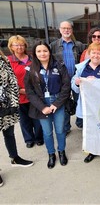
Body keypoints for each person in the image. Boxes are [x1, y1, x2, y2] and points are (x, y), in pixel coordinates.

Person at [24, 41, 71, 169]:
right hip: (41, 105)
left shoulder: (59, 65)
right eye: (39, 51)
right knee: (47, 132)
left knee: (61, 130)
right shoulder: (30, 69)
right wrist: (42, 107)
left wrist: (56, 103)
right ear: (35, 53)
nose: (42, 53)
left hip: (57, 102)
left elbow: (66, 86)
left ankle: (61, 151)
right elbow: (29, 91)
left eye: (45, 50)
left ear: (49, 52)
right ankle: (51, 154)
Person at [0, 50, 34, 187]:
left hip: (8, 104)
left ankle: (15, 158)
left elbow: (11, 80)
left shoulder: (4, 59)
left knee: (9, 133)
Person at [7, 35, 43, 148]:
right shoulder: (8, 61)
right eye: (16, 45)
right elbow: (6, 79)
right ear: (11, 47)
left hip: (34, 94)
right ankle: (29, 139)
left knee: (37, 118)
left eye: (22, 44)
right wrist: (19, 90)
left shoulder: (32, 59)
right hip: (19, 95)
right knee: (24, 120)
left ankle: (39, 137)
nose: (19, 47)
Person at [50, 20, 86, 135]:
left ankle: (80, 122)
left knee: (80, 101)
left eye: (68, 28)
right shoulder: (53, 45)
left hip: (76, 79)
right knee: (63, 104)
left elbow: (83, 62)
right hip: (61, 81)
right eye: (64, 28)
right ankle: (66, 127)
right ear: (60, 30)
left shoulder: (79, 45)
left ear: (72, 30)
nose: (66, 30)